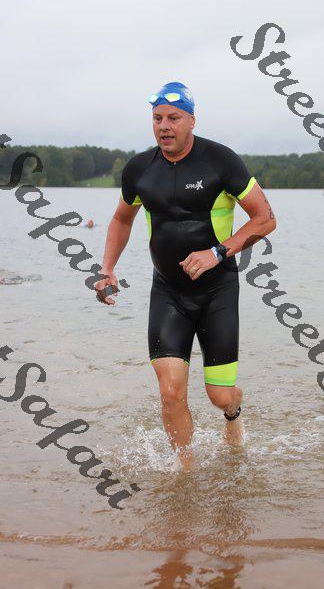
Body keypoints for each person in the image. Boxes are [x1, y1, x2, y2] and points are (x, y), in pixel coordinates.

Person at [95, 81, 277, 469]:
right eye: (157, 118)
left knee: (219, 396)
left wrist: (218, 252)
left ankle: (234, 414)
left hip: (217, 291)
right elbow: (121, 219)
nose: (164, 126)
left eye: (174, 118)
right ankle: (185, 472)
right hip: (168, 292)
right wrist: (107, 268)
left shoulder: (220, 161)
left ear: (192, 120)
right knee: (170, 391)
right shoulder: (139, 169)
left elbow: (265, 218)